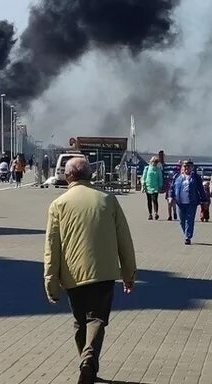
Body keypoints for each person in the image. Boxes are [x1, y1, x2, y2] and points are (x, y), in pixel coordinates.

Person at [44, 156, 137, 384]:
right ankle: (89, 360)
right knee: (97, 319)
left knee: (79, 321)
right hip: (104, 272)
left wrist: (51, 282)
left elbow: (51, 247)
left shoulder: (58, 204)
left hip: (73, 275)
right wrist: (129, 273)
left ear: (68, 177)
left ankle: (87, 363)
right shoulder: (108, 199)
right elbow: (124, 239)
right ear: (91, 175)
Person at [169, 160, 208, 245]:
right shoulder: (177, 176)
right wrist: (171, 197)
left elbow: (201, 189)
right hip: (180, 202)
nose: (186, 168)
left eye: (188, 166)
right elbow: (172, 187)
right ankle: (186, 233)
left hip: (192, 202)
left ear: (192, 168)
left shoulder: (195, 177)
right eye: (185, 166)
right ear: (182, 167)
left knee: (189, 220)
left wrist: (204, 200)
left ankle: (188, 237)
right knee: (182, 221)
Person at [158, 150, 176, 221]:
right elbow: (165, 186)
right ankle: (170, 216)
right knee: (169, 204)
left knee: (173, 205)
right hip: (168, 194)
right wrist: (162, 189)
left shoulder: (174, 181)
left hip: (173, 194)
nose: (170, 176)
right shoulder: (167, 181)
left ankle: (174, 213)